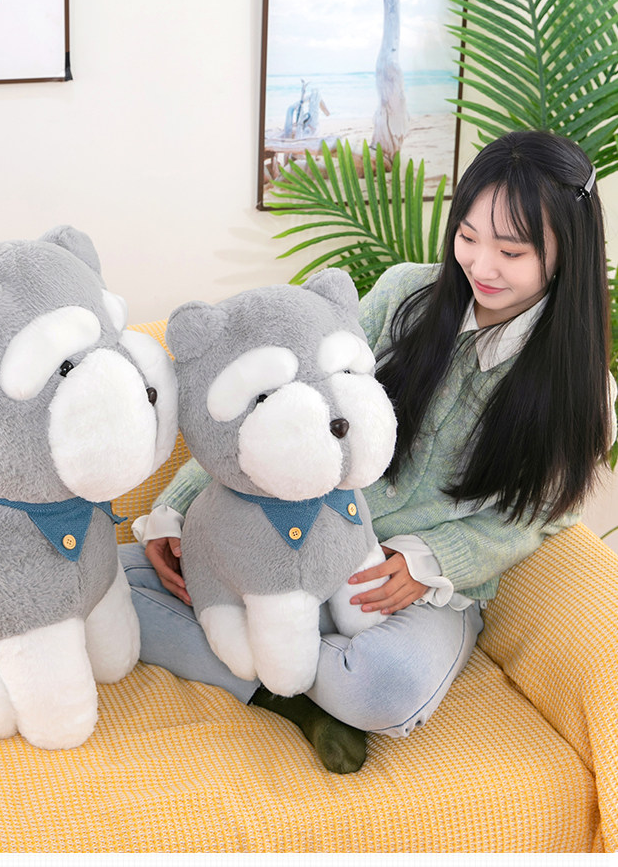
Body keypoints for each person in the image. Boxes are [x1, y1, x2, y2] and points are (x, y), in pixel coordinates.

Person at [119, 130, 616, 773]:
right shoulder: (404, 297)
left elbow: (540, 515)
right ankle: (288, 690)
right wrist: (176, 510)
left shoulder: (583, 392)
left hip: (405, 590)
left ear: (567, 251)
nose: (482, 266)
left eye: (511, 251)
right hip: (286, 533)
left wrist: (430, 561)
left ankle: (288, 664)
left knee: (383, 689)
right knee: (104, 585)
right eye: (467, 236)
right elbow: (271, 418)